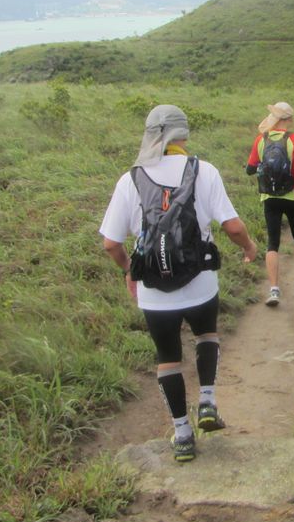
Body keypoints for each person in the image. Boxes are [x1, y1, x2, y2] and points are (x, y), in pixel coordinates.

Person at [100, 105, 257, 462]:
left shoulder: (130, 179)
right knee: (206, 335)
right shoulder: (204, 171)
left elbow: (111, 243)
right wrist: (249, 247)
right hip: (200, 282)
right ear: (183, 134)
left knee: (167, 357)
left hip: (154, 292)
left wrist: (129, 269)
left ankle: (183, 435)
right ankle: (207, 402)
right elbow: (232, 227)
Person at [245, 101, 294, 307]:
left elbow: (249, 169)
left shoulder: (261, 139)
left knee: (272, 243)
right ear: (289, 119)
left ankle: (274, 289)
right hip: (292, 196)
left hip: (269, 197)